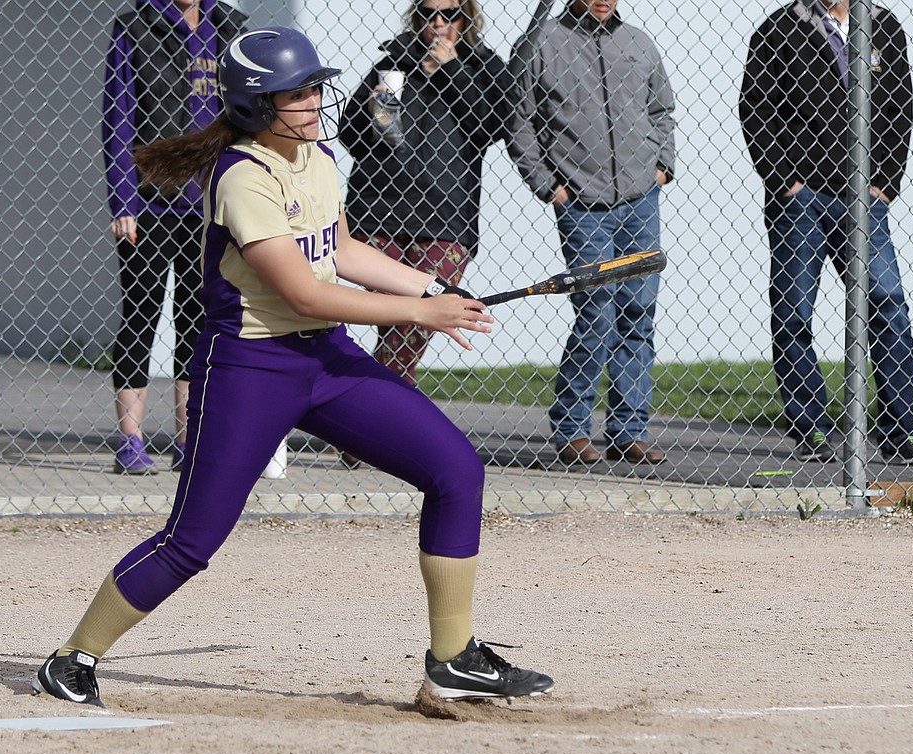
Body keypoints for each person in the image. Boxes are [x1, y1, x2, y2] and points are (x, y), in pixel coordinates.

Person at [32, 28, 553, 707]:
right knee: (192, 542)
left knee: (456, 471)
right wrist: (416, 315)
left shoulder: (319, 158)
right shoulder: (243, 175)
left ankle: (453, 657)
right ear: (255, 104)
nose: (314, 101)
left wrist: (429, 288)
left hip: (325, 359)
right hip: (250, 366)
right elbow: (300, 291)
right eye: (296, 93)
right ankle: (72, 659)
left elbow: (338, 250)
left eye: (314, 87)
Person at [739, 0, 913, 466]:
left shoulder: (883, 25)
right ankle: (810, 429)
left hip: (865, 198)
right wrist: (785, 181)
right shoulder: (779, 28)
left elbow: (900, 108)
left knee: (887, 303)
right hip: (801, 197)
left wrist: (885, 182)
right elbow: (756, 110)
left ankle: (902, 433)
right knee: (793, 311)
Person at [507, 0, 676, 468]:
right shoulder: (541, 44)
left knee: (638, 312)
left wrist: (663, 167)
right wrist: (548, 187)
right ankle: (572, 428)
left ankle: (629, 430)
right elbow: (518, 122)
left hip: (641, 198)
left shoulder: (638, 43)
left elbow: (662, 110)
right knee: (597, 311)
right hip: (582, 203)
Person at [102, 0, 247, 474]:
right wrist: (123, 200)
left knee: (197, 317)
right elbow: (118, 118)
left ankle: (189, 439)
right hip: (149, 202)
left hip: (208, 204)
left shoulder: (227, 27)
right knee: (141, 315)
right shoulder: (135, 25)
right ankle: (131, 441)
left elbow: (245, 116)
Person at [338, 0, 513, 387]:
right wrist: (371, 112)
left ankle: (372, 409)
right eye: (429, 14)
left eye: (450, 15)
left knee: (416, 319)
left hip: (446, 215)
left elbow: (495, 124)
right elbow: (349, 134)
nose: (438, 23)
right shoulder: (395, 60)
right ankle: (382, 417)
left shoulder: (483, 65)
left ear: (467, 18)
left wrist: (451, 69)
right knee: (393, 314)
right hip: (378, 208)